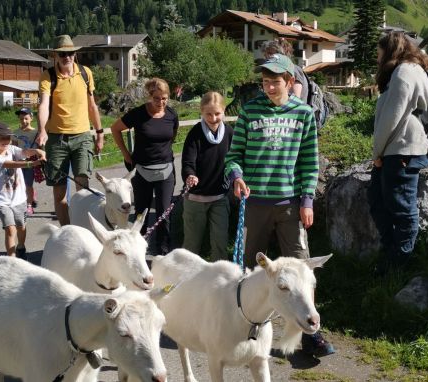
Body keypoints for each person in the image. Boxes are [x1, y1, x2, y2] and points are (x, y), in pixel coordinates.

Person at [224, 53, 334, 357]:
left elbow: (309, 162)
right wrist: (236, 177)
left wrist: (307, 200)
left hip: (290, 205)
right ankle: (244, 327)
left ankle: (311, 334)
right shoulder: (249, 112)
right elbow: (234, 157)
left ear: (290, 82)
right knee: (247, 269)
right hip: (255, 204)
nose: (269, 87)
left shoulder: (303, 114)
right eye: (265, 82)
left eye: (275, 82)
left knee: (302, 270)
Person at [368, 31, 428, 273]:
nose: (377, 58)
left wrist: (377, 153)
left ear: (390, 50)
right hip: (398, 148)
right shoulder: (412, 69)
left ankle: (400, 261)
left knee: (401, 207)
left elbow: (390, 119)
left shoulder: (404, 72)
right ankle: (391, 250)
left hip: (402, 148)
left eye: (379, 52)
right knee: (377, 199)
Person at [35, 34, 104, 226]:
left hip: (82, 136)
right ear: (55, 56)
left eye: (71, 53)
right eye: (63, 54)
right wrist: (42, 130)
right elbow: (43, 105)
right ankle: (67, 232)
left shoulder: (85, 73)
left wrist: (99, 133)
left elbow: (92, 106)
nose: (67, 57)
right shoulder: (47, 76)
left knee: (83, 187)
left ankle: (84, 229)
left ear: (75, 54)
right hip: (57, 140)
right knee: (59, 192)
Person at [110, 78, 178, 255]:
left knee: (164, 213)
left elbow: (172, 138)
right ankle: (139, 249)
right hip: (141, 171)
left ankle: (163, 251)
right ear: (149, 96)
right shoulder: (138, 114)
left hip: (166, 170)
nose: (161, 102)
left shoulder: (171, 115)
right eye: (157, 98)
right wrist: (126, 155)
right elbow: (115, 129)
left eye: (164, 98)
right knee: (141, 213)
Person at [181, 91, 233, 261]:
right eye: (208, 114)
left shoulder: (230, 133)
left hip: (220, 197)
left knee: (220, 242)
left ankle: (221, 280)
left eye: (217, 113)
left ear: (223, 111)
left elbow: (235, 159)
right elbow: (188, 162)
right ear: (202, 112)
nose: (213, 118)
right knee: (192, 244)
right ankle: (186, 278)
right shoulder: (195, 134)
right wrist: (190, 175)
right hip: (196, 198)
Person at [0, 122, 46, 259]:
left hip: (19, 199)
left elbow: (24, 152)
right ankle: (11, 260)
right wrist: (32, 163)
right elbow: (10, 164)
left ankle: (21, 246)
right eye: (1, 137)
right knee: (10, 229)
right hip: (3, 201)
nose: (5, 141)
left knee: (21, 227)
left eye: (8, 137)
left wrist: (37, 151)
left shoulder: (12, 149)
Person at [12, 107, 38, 215]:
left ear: (31, 118)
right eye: (21, 119)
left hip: (30, 161)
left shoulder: (36, 132)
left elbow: (40, 147)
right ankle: (28, 198)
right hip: (19, 162)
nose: (24, 121)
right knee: (19, 184)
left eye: (26, 118)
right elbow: (13, 147)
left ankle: (29, 205)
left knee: (28, 184)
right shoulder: (16, 132)